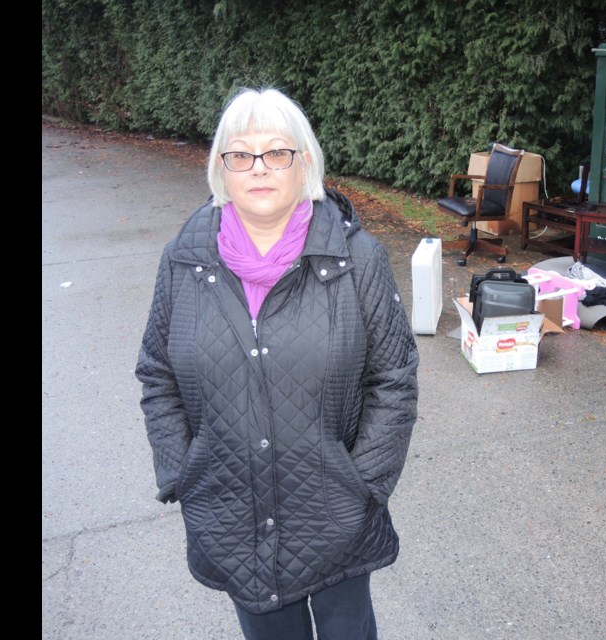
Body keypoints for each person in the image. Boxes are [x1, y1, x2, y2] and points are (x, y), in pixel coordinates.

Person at [135, 87, 419, 640]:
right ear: (222, 169)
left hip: (335, 514)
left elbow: (394, 378)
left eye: (277, 153)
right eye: (241, 154)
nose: (258, 168)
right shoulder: (183, 261)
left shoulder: (357, 259)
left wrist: (362, 486)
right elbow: (157, 374)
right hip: (231, 514)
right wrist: (183, 470)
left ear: (304, 163)